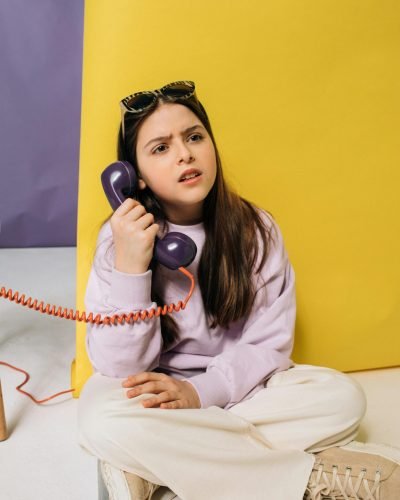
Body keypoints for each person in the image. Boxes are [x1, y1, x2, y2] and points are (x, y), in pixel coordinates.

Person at [77, 81, 400, 500]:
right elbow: (119, 366)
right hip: (153, 396)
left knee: (342, 398)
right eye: (160, 148)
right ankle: (314, 477)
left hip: (240, 391)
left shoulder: (256, 230)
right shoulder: (118, 240)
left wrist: (200, 393)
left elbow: (268, 345)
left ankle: (159, 471)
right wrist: (132, 268)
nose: (184, 154)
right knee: (99, 418)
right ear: (132, 177)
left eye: (194, 137)